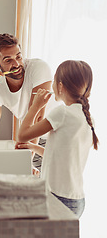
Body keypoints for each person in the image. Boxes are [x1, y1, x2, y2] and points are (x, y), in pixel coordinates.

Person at [17, 60, 99, 218]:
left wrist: (36, 105)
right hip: (77, 199)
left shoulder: (62, 113)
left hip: (58, 198)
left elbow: (22, 134)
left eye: (54, 80)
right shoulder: (87, 118)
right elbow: (63, 155)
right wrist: (33, 147)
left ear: (60, 86)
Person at [0, 33, 52, 153]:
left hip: (55, 135)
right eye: (8, 60)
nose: (16, 64)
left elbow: (38, 117)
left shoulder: (38, 68)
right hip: (32, 138)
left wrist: (27, 161)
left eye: (18, 57)